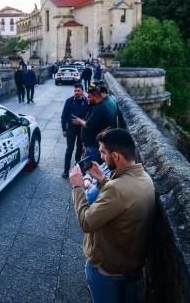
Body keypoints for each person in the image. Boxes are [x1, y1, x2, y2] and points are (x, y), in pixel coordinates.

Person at [69, 129, 155, 303]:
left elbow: (86, 222)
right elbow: (121, 201)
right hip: (131, 265)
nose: (101, 157)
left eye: (103, 152)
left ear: (115, 156)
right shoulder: (144, 177)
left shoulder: (117, 188)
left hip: (107, 269)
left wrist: (77, 188)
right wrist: (102, 179)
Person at [72, 87, 117, 164]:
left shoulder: (99, 108)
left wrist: (79, 121)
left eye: (89, 97)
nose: (87, 99)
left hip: (94, 146)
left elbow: (89, 125)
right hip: (90, 145)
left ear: (95, 97)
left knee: (91, 169)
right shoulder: (97, 106)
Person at [61, 83, 88, 178]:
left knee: (80, 148)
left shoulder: (87, 101)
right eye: (75, 91)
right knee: (69, 149)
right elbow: (64, 116)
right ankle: (66, 170)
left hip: (82, 128)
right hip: (71, 129)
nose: (76, 92)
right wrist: (64, 129)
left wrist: (82, 122)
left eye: (78, 91)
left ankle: (78, 168)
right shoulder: (69, 101)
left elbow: (89, 116)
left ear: (82, 91)